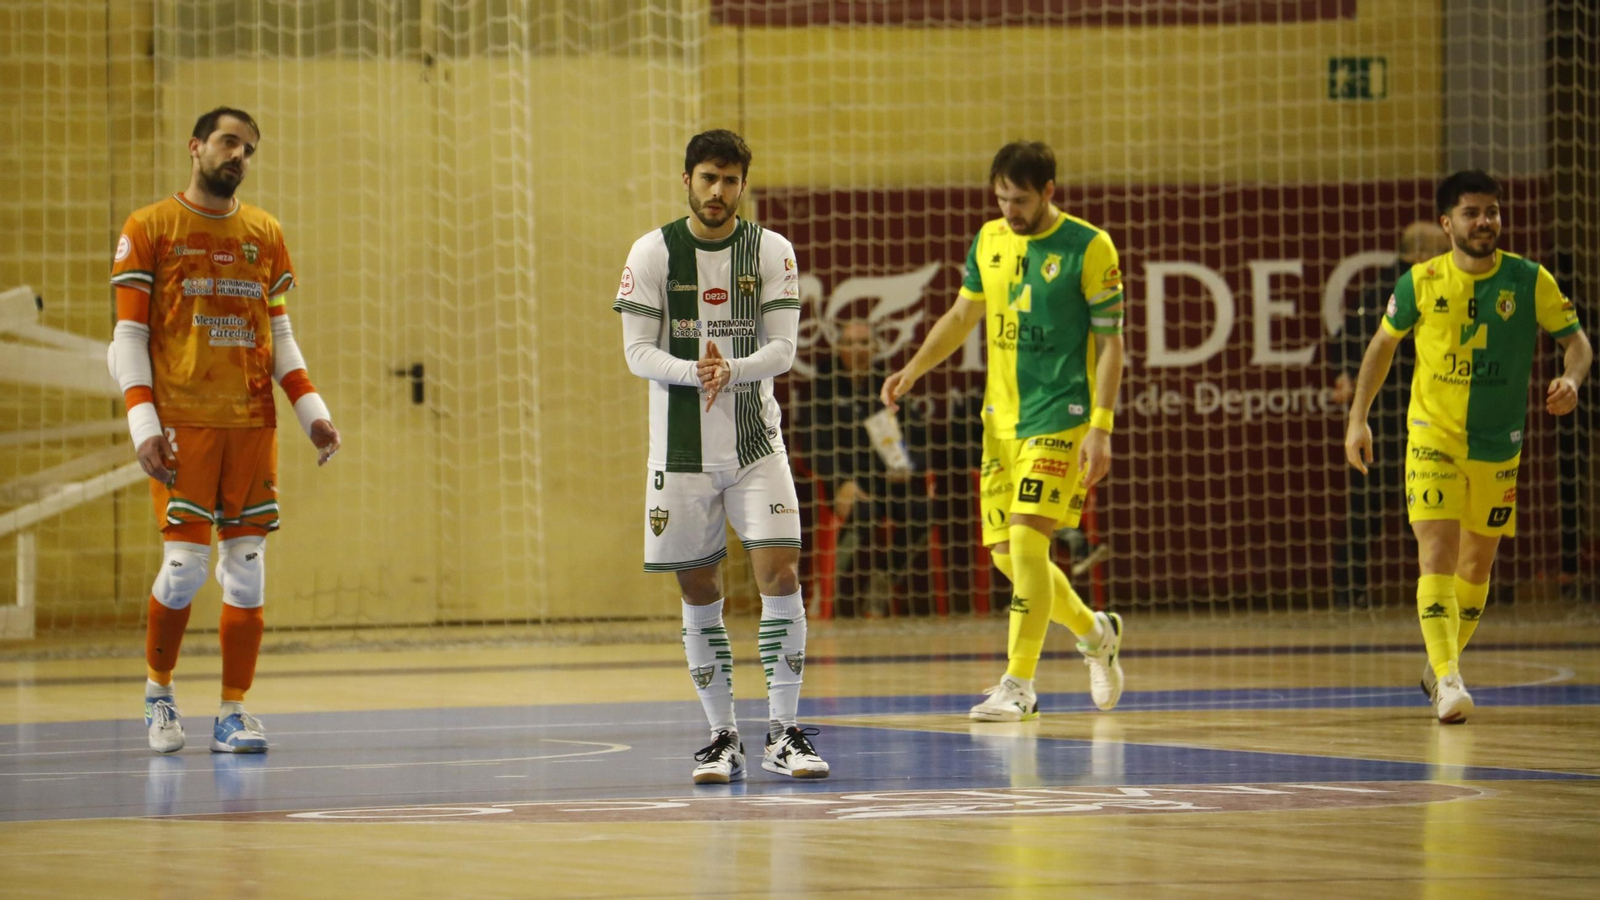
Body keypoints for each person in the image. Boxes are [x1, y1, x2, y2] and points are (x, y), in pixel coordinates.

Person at [109, 107, 341, 754]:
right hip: (183, 422)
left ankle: (233, 711)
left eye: (249, 148)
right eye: (228, 142)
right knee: (184, 568)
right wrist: (142, 423)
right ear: (197, 147)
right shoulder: (149, 226)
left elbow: (281, 335)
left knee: (246, 569)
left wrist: (312, 413)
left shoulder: (264, 233)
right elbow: (128, 336)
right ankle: (159, 693)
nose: (239, 154)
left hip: (250, 425)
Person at [882, 141, 1127, 722]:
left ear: (1048, 192)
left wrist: (1101, 427)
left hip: (1061, 418)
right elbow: (963, 315)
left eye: (1019, 199)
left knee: (1027, 542)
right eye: (1000, 198)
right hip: (1000, 423)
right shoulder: (989, 239)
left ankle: (1019, 685)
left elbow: (1111, 343)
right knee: (1007, 559)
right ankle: (1096, 633)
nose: (1009, 210)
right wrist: (914, 368)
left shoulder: (1089, 247)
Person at [613, 129, 829, 783]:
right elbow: (636, 352)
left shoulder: (771, 252)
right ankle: (721, 736)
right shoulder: (652, 253)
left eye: (730, 180)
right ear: (687, 180)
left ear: (742, 185)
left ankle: (784, 732)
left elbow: (783, 351)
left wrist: (727, 370)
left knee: (781, 575)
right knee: (698, 588)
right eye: (708, 178)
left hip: (755, 447)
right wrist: (693, 374)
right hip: (679, 456)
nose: (718, 191)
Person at [1344, 170, 1590, 724]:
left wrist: (1571, 381)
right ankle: (1450, 680)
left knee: (1476, 567)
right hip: (1432, 436)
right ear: (1446, 222)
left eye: (1492, 212)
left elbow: (1576, 343)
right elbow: (1381, 346)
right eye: (1472, 212)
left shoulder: (1531, 280)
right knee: (1436, 551)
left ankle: (1440, 661)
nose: (1485, 221)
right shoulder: (1419, 281)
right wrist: (1357, 418)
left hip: (1499, 445)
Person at [1327, 221, 1453, 607]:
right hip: (1401, 412)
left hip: (1388, 413)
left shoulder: (1382, 287)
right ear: (1419, 254)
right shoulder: (1403, 287)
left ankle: (1352, 593)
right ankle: (1440, 591)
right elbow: (1355, 338)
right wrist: (1347, 374)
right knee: (1418, 505)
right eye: (1439, 250)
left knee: (1373, 505)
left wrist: (1344, 373)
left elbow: (1343, 340)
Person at [799, 318, 929, 616]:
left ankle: (882, 583)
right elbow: (815, 445)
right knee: (864, 514)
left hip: (890, 484)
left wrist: (909, 466)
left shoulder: (888, 386)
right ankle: (830, 594)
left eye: (864, 343)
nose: (857, 350)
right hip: (848, 485)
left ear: (876, 348)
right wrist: (839, 482)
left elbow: (918, 438)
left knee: (922, 511)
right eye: (850, 343)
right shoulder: (821, 389)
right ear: (838, 347)